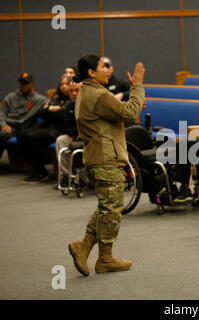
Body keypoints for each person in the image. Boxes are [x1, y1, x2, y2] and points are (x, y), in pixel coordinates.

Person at [68, 54, 145, 276]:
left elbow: (118, 118)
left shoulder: (88, 91)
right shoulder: (98, 93)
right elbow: (129, 112)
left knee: (107, 206)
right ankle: (105, 258)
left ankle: (83, 246)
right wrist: (137, 87)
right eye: (103, 66)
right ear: (91, 72)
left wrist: (134, 104)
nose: (108, 70)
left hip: (99, 156)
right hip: (106, 158)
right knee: (112, 208)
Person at [18, 75, 72, 181]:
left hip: (59, 130)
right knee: (22, 134)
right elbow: (41, 112)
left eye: (66, 84)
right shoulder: (56, 97)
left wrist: (51, 110)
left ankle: (40, 168)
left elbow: (63, 115)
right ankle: (34, 167)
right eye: (61, 84)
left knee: (32, 137)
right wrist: (52, 110)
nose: (64, 87)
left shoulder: (72, 99)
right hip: (47, 126)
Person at [0, 74, 46, 160]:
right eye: (21, 83)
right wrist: (3, 124)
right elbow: (1, 113)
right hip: (10, 126)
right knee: (2, 134)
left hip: (26, 127)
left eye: (26, 83)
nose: (23, 86)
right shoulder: (11, 97)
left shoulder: (39, 99)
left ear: (32, 85)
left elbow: (49, 103)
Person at [55, 80, 83, 185]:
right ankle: (68, 176)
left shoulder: (90, 104)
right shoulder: (69, 106)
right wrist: (74, 135)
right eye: (71, 91)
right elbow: (67, 127)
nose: (74, 93)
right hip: (76, 137)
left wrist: (77, 135)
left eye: (77, 90)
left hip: (91, 137)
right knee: (61, 140)